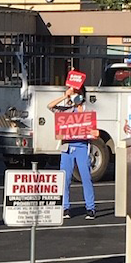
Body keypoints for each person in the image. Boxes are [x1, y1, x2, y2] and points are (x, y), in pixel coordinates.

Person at [47, 85, 96, 219]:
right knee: (65, 178)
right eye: (73, 93)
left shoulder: (87, 111)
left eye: (78, 93)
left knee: (86, 177)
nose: (76, 95)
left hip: (82, 146)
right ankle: (65, 207)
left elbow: (93, 129)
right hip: (67, 147)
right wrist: (65, 96)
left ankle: (90, 208)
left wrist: (94, 133)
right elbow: (50, 106)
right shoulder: (67, 110)